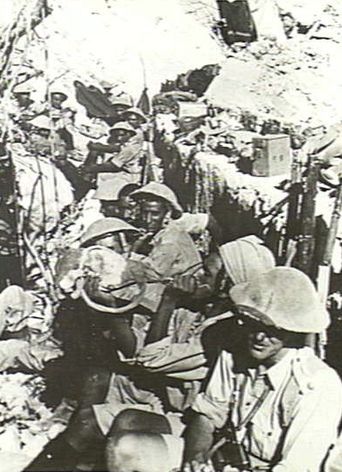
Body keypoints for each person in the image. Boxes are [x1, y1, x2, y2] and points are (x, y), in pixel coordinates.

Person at [106, 267, 342, 472]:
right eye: (254, 324)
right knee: (123, 449)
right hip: (226, 453)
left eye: (273, 330)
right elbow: (207, 414)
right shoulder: (236, 353)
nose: (259, 336)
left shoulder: (317, 384)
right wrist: (195, 459)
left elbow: (296, 468)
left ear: (293, 330)